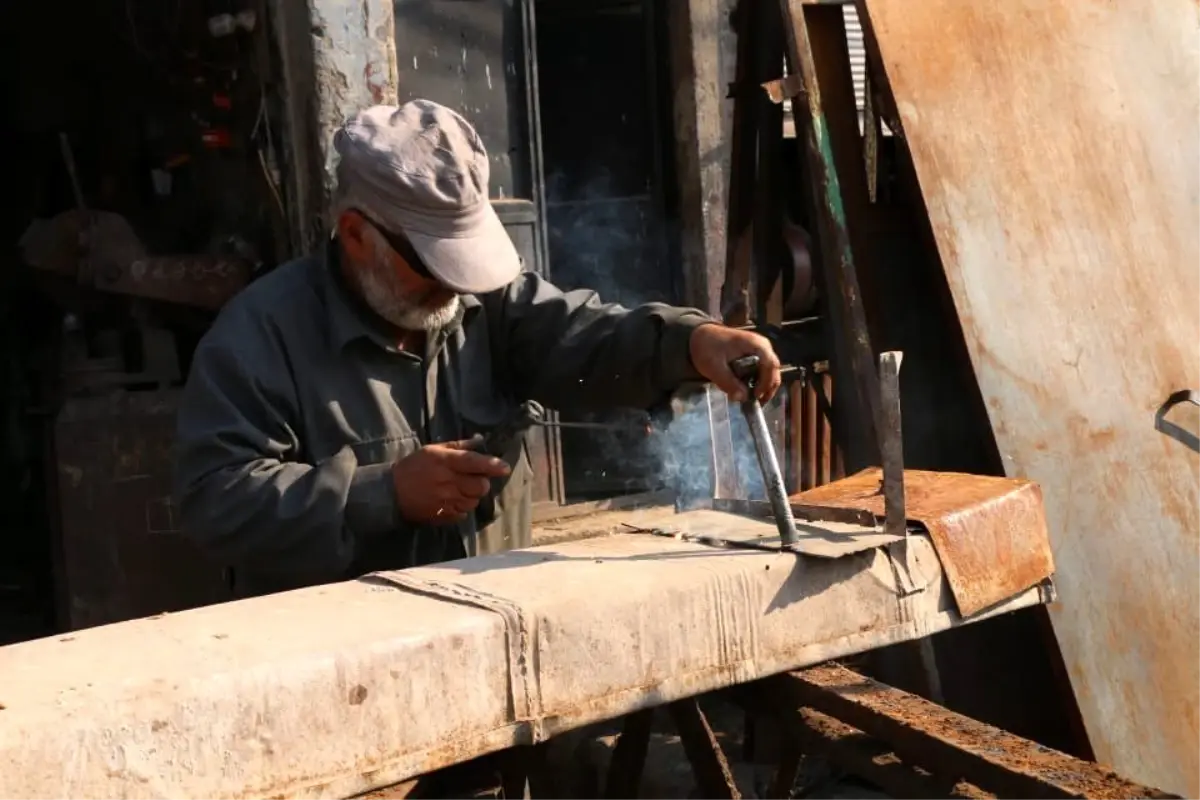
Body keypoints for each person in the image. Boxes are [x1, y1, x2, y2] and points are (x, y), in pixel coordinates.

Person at [173, 100, 781, 599]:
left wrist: (691, 342)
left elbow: (585, 335)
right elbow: (216, 501)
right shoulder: (259, 337)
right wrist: (381, 494)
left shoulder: (483, 302)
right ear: (357, 235)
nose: (456, 286)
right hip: (345, 668)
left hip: (493, 636)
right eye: (433, 266)